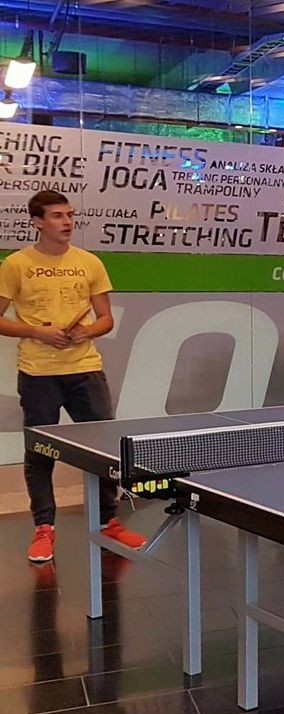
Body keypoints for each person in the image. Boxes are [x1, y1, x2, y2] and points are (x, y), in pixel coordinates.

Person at [0, 190, 145, 564]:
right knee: (39, 452)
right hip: (38, 374)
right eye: (57, 216)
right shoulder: (16, 264)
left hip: (85, 371)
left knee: (103, 450)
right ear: (37, 222)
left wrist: (87, 331)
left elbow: (105, 318)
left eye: (69, 215)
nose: (67, 222)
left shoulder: (89, 262)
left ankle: (108, 521)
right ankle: (44, 528)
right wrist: (37, 331)